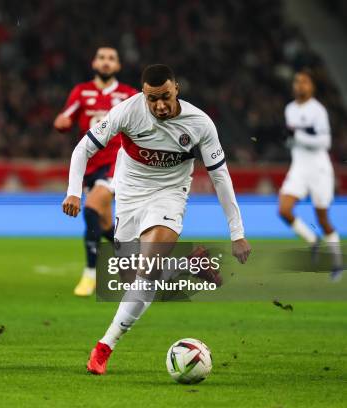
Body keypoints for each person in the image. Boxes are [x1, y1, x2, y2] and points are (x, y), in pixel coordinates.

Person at [62, 64, 252, 375]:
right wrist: (73, 193)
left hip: (169, 194)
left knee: (146, 272)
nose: (159, 105)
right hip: (130, 194)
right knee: (130, 280)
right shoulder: (127, 111)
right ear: (143, 95)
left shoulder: (200, 124)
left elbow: (221, 179)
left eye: (165, 96)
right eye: (152, 99)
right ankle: (189, 265)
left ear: (176, 88)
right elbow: (83, 149)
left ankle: (104, 347)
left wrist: (237, 232)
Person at [54, 47, 138, 296]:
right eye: (102, 57)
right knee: (104, 226)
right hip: (89, 166)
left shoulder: (128, 95)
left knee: (90, 208)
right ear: (94, 62)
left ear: (118, 66)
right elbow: (65, 117)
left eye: (111, 58)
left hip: (116, 164)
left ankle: (91, 274)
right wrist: (62, 122)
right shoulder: (81, 92)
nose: (106, 62)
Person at [278, 69, 343, 281]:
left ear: (311, 86)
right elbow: (291, 140)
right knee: (284, 209)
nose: (299, 85)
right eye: (297, 82)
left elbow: (325, 143)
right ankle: (312, 240)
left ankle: (336, 263)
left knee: (322, 218)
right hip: (299, 167)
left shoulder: (318, 111)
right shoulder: (290, 109)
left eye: (304, 82)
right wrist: (289, 139)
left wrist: (297, 135)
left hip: (319, 169)